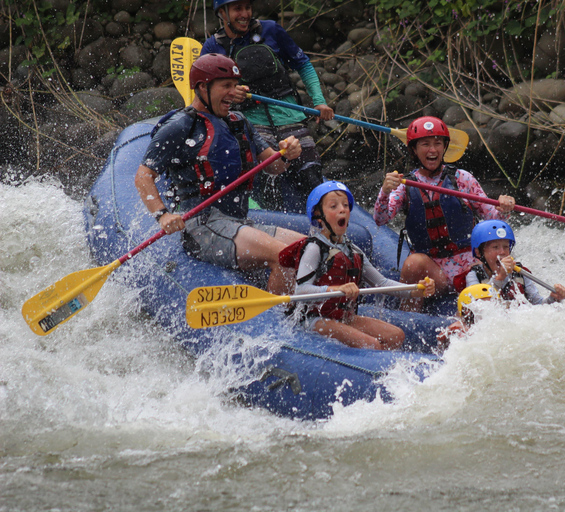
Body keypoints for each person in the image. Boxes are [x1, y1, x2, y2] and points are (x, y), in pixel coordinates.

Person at [134, 53, 304, 294]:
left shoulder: (239, 121)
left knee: (310, 250)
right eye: (226, 86)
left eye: (235, 86)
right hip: (202, 228)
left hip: (239, 222)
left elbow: (274, 166)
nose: (233, 92)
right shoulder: (180, 125)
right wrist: (162, 216)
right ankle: (284, 324)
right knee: (285, 256)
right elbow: (143, 176)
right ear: (203, 87)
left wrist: (286, 153)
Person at [200, 0, 334, 212]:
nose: (245, 14)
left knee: (311, 172)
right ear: (222, 13)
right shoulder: (213, 47)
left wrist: (319, 100)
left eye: (247, 7)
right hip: (250, 121)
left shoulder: (271, 30)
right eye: (237, 9)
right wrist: (231, 93)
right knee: (264, 173)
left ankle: (322, 218)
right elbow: (207, 92)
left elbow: (302, 64)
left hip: (288, 114)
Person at [373, 116, 517, 311]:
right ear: (414, 149)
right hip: (434, 273)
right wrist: (385, 192)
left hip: (470, 267)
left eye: (437, 143)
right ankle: (409, 317)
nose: (432, 150)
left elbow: (492, 219)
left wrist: (503, 208)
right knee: (413, 262)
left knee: (494, 255)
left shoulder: (462, 179)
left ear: (445, 147)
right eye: (425, 144)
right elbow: (381, 219)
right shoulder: (404, 184)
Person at [279, 181, 436, 350]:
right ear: (318, 214)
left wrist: (415, 290)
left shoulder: (353, 250)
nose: (342, 209)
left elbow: (382, 283)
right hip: (312, 319)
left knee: (396, 336)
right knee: (372, 344)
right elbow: (301, 290)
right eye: (333, 206)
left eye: (345, 205)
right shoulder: (314, 248)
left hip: (343, 317)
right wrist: (337, 289)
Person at [454, 220, 565, 305]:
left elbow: (538, 304)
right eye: (495, 247)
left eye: (505, 247)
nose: (502, 252)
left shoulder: (520, 273)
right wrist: (500, 278)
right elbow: (479, 306)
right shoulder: (474, 275)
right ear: (479, 253)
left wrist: (554, 299)